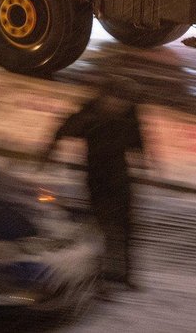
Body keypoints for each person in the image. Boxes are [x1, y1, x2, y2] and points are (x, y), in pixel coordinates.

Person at [40, 75, 147, 289]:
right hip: (97, 177)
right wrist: (48, 153)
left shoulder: (129, 116)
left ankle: (124, 275)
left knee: (126, 226)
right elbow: (63, 129)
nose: (119, 105)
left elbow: (138, 140)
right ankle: (99, 276)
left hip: (120, 177)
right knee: (100, 227)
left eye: (124, 101)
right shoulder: (90, 113)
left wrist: (142, 163)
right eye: (116, 100)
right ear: (106, 96)